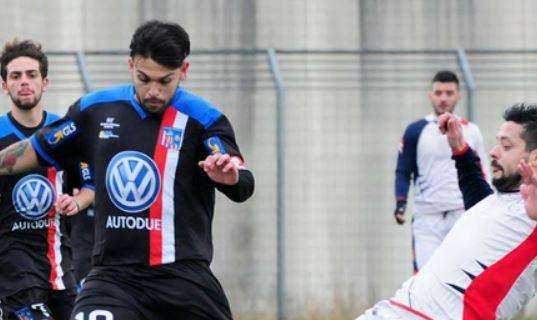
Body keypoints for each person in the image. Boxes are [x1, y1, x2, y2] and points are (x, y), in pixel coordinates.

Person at [0, 21, 254, 320]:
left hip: (184, 279)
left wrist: (231, 176)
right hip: (114, 279)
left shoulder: (204, 119)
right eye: (144, 78)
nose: (154, 91)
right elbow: (33, 149)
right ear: (131, 65)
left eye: (165, 81)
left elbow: (239, 177)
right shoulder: (95, 110)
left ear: (183, 71)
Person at [358, 103, 537, 319]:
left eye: (507, 147)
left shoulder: (531, 213)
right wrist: (460, 148)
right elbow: (478, 199)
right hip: (395, 309)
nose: (493, 151)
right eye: (497, 143)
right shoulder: (498, 202)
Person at [0, 39, 94, 320]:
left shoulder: (64, 132)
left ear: (45, 82)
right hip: (13, 263)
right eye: (15, 76)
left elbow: (92, 184)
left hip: (61, 262)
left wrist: (76, 202)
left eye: (31, 75)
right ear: (5, 85)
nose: (24, 82)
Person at [394, 70, 489, 272]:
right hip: (427, 217)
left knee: (462, 276)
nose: (443, 98)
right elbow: (403, 170)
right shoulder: (416, 130)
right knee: (424, 280)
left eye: (449, 93)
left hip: (461, 216)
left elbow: (483, 173)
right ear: (430, 95)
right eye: (438, 93)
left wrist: (487, 210)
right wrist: (400, 202)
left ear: (458, 95)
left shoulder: (471, 130)